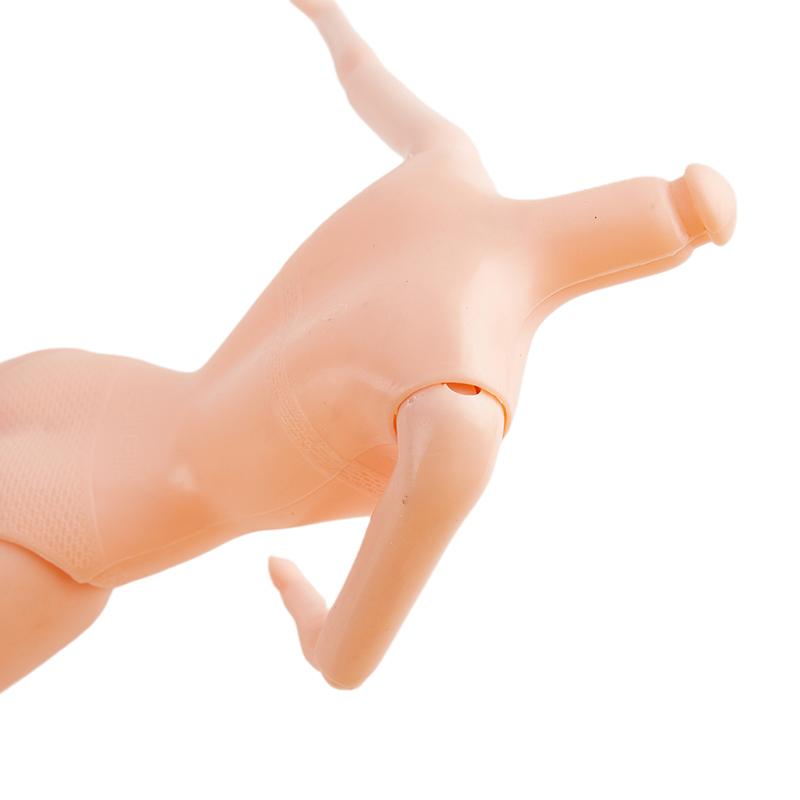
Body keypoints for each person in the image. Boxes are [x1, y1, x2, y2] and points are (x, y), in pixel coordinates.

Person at [0, 0, 735, 693]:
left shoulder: (447, 160)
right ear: (653, 261)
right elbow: (343, 660)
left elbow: (360, 71)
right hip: (88, 527)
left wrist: (326, 13)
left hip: (77, 388)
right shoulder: (459, 409)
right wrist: (306, 612)